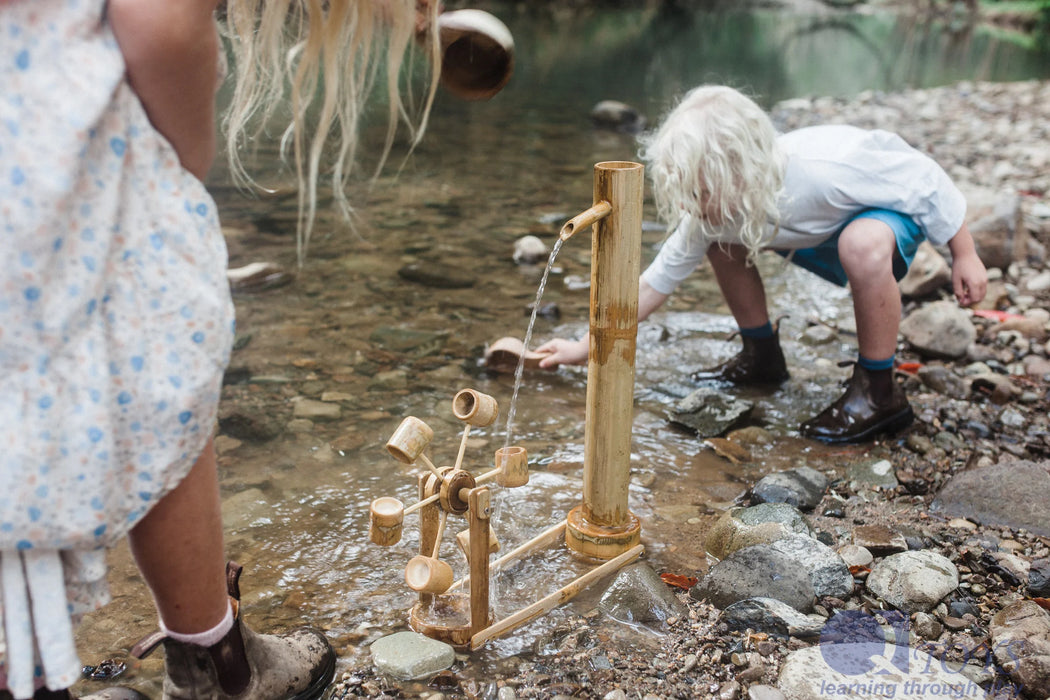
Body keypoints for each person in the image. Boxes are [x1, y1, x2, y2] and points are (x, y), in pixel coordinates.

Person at [0, 1, 439, 699]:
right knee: (164, 371)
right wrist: (182, 162)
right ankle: (217, 668)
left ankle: (37, 671)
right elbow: (161, 19)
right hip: (39, 137)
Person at [536, 85, 988, 444]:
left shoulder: (823, 170)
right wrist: (584, 344)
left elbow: (925, 180)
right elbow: (655, 282)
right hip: (814, 235)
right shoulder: (713, 211)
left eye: (702, 191)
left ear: (740, 170)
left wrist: (963, 253)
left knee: (861, 243)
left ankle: (877, 391)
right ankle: (762, 357)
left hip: (879, 218)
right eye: (686, 193)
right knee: (719, 238)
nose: (694, 204)